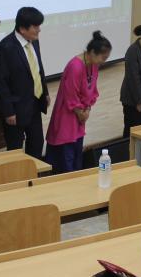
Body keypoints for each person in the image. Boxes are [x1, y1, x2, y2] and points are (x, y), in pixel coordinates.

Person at [45, 32, 112, 173]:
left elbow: (92, 90)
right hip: (67, 116)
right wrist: (80, 113)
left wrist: (87, 109)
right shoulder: (75, 66)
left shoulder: (93, 65)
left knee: (77, 156)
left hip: (81, 116)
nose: (104, 61)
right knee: (66, 157)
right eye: (103, 58)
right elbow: (70, 95)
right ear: (92, 52)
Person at [0, 7, 49, 159]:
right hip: (15, 109)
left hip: (34, 104)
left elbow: (38, 68)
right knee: (15, 150)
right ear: (22, 29)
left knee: (37, 143)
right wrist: (8, 111)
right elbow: (1, 82)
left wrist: (45, 92)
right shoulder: (6, 47)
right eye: (35, 26)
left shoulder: (34, 41)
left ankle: (34, 172)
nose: (39, 30)